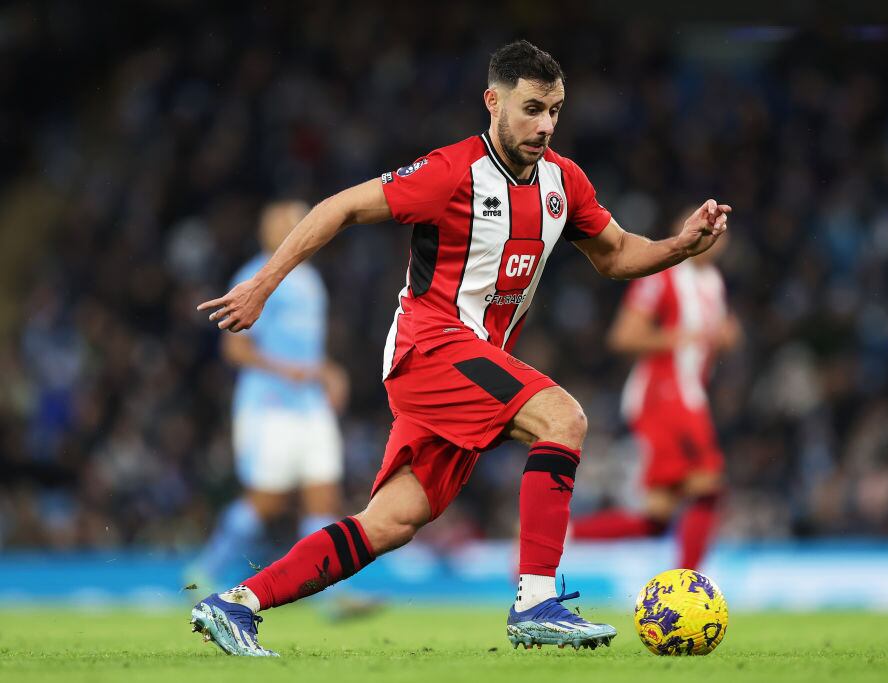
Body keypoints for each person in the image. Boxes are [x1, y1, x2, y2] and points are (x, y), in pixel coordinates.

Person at [190, 40, 730, 657]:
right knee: (563, 418)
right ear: (493, 102)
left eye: (554, 111)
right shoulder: (451, 172)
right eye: (532, 109)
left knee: (391, 522)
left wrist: (680, 245)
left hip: (467, 364)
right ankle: (535, 602)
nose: (545, 125)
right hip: (431, 345)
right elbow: (339, 207)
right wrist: (262, 285)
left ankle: (235, 604)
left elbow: (617, 254)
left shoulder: (564, 182)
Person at [186, 201, 350, 591]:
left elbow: (306, 351)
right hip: (269, 406)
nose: (296, 228)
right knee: (266, 501)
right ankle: (203, 572)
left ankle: (330, 591)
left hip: (310, 404)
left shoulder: (311, 281)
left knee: (324, 497)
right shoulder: (253, 277)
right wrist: (284, 370)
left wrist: (327, 371)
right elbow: (234, 349)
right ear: (267, 232)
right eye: (286, 223)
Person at [571, 219, 740, 572]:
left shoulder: (713, 282)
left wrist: (723, 336)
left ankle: (561, 534)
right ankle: (689, 585)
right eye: (704, 228)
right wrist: (676, 338)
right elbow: (623, 336)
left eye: (718, 231)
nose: (713, 238)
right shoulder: (662, 276)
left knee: (656, 518)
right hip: (663, 394)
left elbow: (713, 337)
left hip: (689, 394)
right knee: (707, 482)